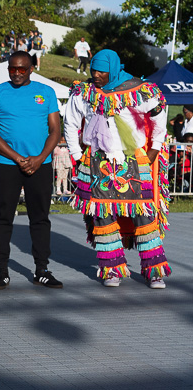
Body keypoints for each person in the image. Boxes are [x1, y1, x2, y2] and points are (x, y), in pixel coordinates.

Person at [64, 49, 171, 289]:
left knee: (144, 215)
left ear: (113, 68)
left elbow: (158, 116)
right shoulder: (83, 93)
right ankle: (112, 270)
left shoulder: (140, 90)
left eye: (102, 70)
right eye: (93, 70)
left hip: (133, 159)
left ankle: (154, 270)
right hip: (97, 162)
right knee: (102, 217)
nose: (96, 75)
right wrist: (77, 154)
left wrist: (154, 148)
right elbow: (70, 124)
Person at [0, 51, 62, 290]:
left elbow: (55, 131)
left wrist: (39, 159)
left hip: (41, 166)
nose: (16, 73)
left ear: (31, 69)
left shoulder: (46, 92)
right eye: (12, 69)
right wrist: (18, 158)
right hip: (8, 166)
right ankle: (2, 270)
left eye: (22, 69)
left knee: (40, 218)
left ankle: (42, 270)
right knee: (3, 217)